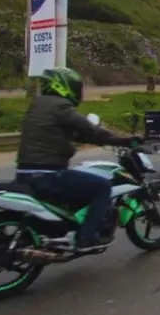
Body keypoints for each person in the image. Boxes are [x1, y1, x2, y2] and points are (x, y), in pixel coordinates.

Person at [15, 67, 139, 252]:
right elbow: (90, 129)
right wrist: (122, 140)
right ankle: (87, 237)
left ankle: (64, 229)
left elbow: (75, 133)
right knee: (101, 186)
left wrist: (93, 138)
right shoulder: (60, 106)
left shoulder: (39, 104)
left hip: (25, 173)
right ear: (63, 86)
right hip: (48, 175)